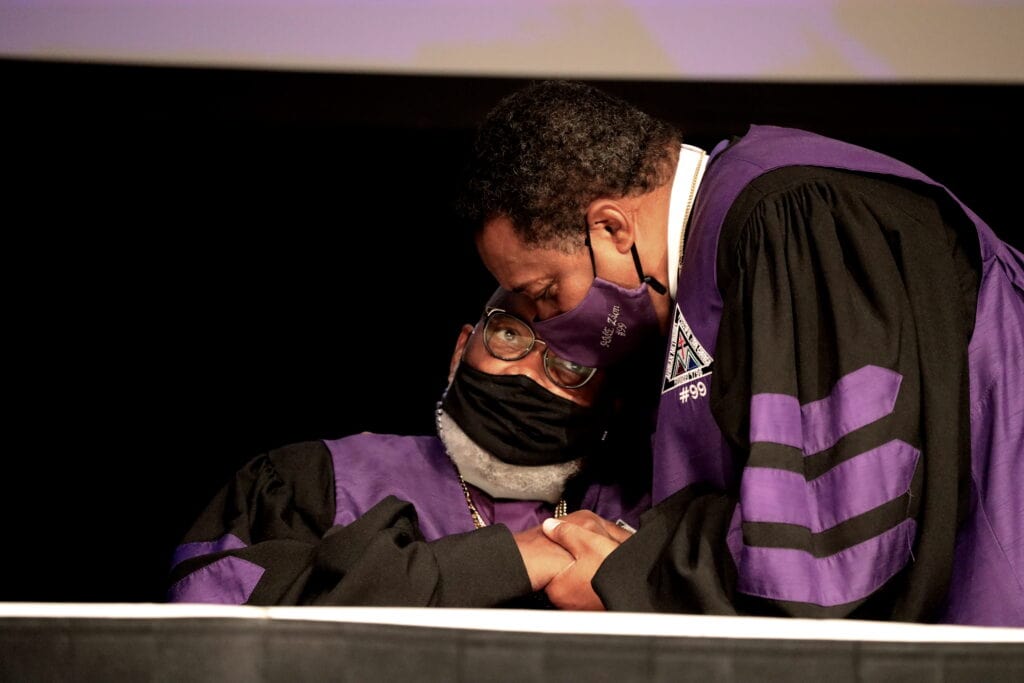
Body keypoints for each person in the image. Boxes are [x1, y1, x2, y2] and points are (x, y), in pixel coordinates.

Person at [454, 80, 1023, 625]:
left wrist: (633, 571)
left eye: (545, 292)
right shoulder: (703, 266)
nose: (550, 328)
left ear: (611, 228)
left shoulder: (791, 217)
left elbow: (830, 538)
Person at [166, 287, 647, 607]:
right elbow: (213, 625)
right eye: (509, 334)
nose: (525, 372)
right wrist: (508, 560)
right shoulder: (314, 478)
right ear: (461, 350)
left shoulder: (639, 516)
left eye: (570, 362)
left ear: (611, 402)